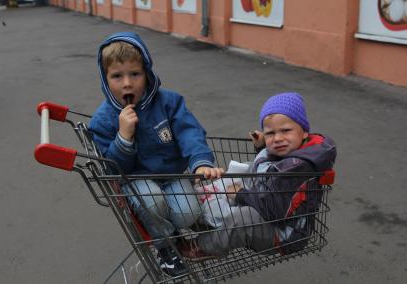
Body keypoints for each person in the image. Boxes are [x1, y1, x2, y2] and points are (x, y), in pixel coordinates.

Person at [88, 32, 224, 276]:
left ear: (147, 73)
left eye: (135, 74)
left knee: (187, 214)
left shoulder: (168, 102)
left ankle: (170, 229)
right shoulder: (103, 120)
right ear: (105, 79)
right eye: (117, 76)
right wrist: (124, 136)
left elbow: (189, 132)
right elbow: (114, 167)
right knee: (151, 200)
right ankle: (164, 247)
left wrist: (200, 162)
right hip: (136, 179)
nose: (127, 83)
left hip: (171, 174)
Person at [178, 92, 337, 260]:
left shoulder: (298, 168)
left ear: (304, 131)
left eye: (285, 130)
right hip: (270, 215)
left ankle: (205, 247)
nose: (278, 138)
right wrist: (262, 147)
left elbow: (273, 209)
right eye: (270, 133)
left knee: (242, 219)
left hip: (284, 235)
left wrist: (240, 194)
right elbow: (274, 168)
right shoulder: (298, 151)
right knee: (228, 191)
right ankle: (213, 226)